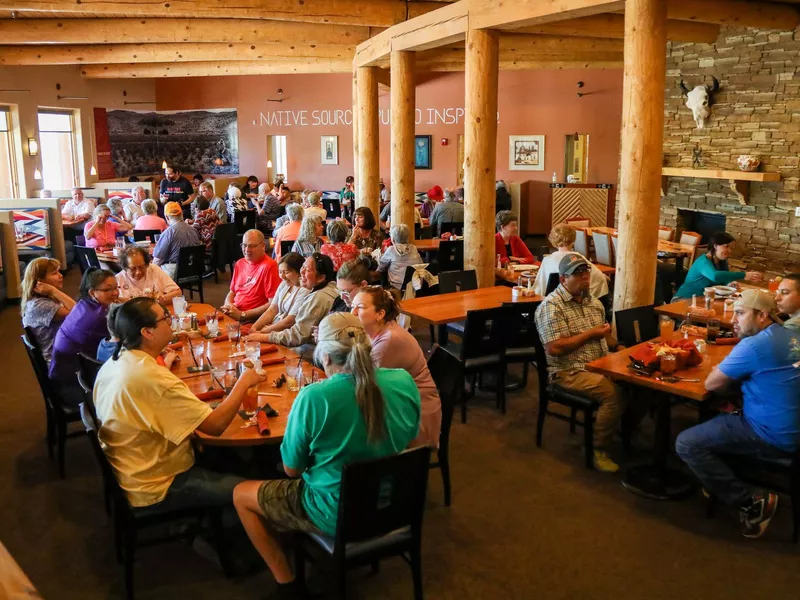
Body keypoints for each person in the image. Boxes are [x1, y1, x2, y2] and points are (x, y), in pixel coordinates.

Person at [232, 312, 420, 599]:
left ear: (326, 358)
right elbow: (409, 435)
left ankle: (288, 584)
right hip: (394, 499)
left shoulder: (314, 398)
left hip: (334, 511)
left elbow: (291, 470)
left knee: (240, 494)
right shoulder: (404, 380)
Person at [94, 297, 266, 512]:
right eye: (165, 318)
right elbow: (216, 427)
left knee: (233, 456)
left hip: (131, 465)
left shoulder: (116, 361)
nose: (171, 320)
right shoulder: (150, 377)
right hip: (158, 483)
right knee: (258, 490)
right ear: (147, 332)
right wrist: (244, 382)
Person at [675, 290, 800, 538]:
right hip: (791, 426)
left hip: (773, 436)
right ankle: (714, 481)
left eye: (741, 313)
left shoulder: (755, 345)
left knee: (686, 442)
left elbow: (711, 384)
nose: (733, 319)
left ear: (763, 315)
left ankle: (751, 501)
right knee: (720, 412)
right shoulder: (790, 333)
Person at [534, 254, 626, 473]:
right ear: (563, 279)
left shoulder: (594, 303)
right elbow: (555, 348)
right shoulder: (551, 307)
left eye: (586, 273)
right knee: (614, 394)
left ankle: (619, 430)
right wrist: (591, 334)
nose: (585, 278)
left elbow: (604, 337)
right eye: (578, 274)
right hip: (568, 372)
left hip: (601, 364)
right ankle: (597, 449)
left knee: (642, 383)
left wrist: (622, 349)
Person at [352, 286, 441, 448]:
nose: (353, 312)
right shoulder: (378, 330)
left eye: (361, 307)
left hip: (416, 411)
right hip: (398, 399)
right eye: (352, 307)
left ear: (380, 314)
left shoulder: (389, 340)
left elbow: (365, 382)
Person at [50, 268, 120, 407]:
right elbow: (124, 340)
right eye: (108, 290)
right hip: (75, 385)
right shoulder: (100, 317)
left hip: (62, 373)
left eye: (116, 288)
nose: (115, 293)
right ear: (92, 292)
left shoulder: (84, 304)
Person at [268, 253, 338, 349]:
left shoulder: (318, 297)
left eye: (308, 270)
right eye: (303, 267)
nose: (302, 272)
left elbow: (297, 335)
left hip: (320, 349)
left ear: (321, 278)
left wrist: (264, 336)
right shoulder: (330, 285)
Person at [674, 231, 763, 299]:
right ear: (715, 246)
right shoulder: (703, 261)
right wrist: (744, 275)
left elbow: (723, 280)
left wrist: (729, 284)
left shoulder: (722, 261)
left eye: (731, 248)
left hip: (703, 301)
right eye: (726, 246)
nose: (729, 251)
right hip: (683, 300)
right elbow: (715, 276)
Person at [20, 257, 75, 364]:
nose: (60, 275)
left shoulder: (41, 300)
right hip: (59, 361)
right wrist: (53, 290)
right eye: (54, 273)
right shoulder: (41, 305)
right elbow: (78, 315)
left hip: (63, 352)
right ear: (40, 282)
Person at [534, 224, 609, 299]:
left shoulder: (547, 260)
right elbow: (600, 278)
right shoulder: (579, 258)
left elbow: (540, 287)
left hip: (554, 300)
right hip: (580, 302)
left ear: (552, 239)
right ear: (573, 239)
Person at [221, 229, 281, 322]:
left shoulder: (270, 266)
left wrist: (243, 314)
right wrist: (228, 305)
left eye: (252, 246)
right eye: (244, 245)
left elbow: (272, 303)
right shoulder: (239, 263)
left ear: (263, 246)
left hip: (252, 319)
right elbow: (232, 292)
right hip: (235, 314)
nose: (247, 250)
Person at [246, 252, 309, 340]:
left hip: (286, 334)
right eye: (280, 272)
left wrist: (262, 333)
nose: (282, 276)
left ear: (299, 272)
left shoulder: (304, 290)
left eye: (286, 272)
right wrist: (254, 328)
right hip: (273, 326)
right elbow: (272, 310)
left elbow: (289, 321)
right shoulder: (284, 284)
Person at [116, 244, 181, 305]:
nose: (138, 272)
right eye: (133, 269)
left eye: (141, 267)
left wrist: (162, 298)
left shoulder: (154, 270)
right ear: (125, 267)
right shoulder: (118, 279)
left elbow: (178, 292)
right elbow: (113, 302)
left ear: (147, 264)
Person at [152, 201, 201, 279]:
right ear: (181, 214)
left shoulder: (168, 233)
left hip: (174, 271)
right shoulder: (193, 230)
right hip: (193, 269)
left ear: (166, 217)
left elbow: (157, 260)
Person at [377, 224, 423, 291]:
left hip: (396, 288)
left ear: (393, 238)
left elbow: (380, 268)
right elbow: (421, 265)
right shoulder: (413, 248)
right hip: (414, 287)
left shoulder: (391, 250)